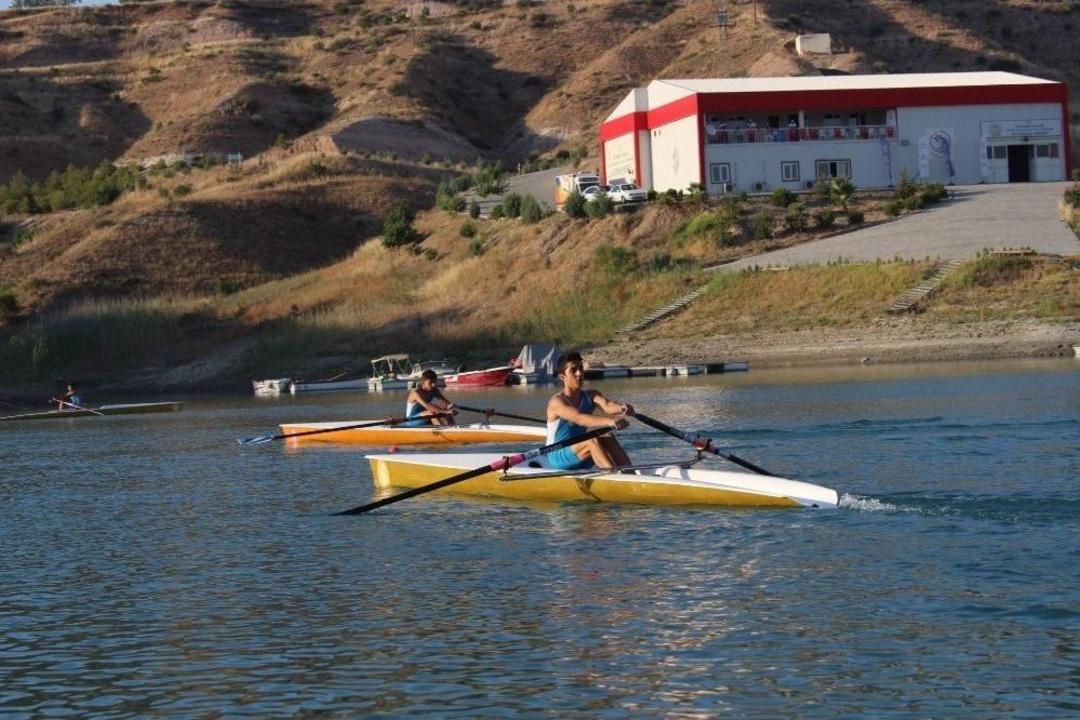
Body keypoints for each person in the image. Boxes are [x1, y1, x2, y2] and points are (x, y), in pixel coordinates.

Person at [545, 351, 633, 470]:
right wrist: (610, 421)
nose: (579, 373)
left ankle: (630, 474)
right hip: (558, 456)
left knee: (607, 435)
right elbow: (580, 418)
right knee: (591, 440)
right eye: (573, 370)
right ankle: (614, 477)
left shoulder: (591, 395)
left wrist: (622, 408)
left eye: (581, 368)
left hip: (581, 453)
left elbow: (607, 405)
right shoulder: (557, 402)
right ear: (562, 376)